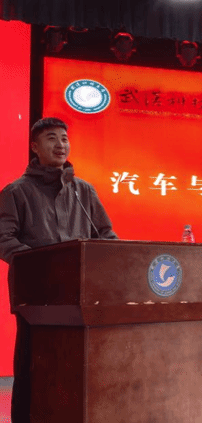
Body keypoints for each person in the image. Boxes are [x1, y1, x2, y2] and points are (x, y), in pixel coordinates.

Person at [0, 117, 118, 423]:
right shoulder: (16, 192)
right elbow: (4, 238)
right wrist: (43, 264)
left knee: (76, 369)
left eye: (64, 138)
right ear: (34, 146)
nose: (60, 145)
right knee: (33, 367)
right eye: (51, 138)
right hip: (36, 298)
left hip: (82, 298)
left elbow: (106, 236)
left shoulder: (84, 191)